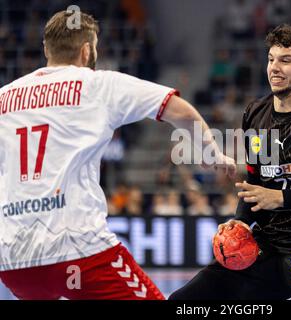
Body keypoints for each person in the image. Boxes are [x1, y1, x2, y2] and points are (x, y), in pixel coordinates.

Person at [0, 10, 236, 300]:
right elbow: (181, 111)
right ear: (87, 51)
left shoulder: (4, 96)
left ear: (47, 49)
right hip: (78, 251)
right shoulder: (98, 84)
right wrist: (212, 154)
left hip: (14, 261)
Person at [170, 24, 291, 300]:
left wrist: (281, 198)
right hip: (268, 243)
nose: (274, 67)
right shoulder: (255, 114)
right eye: (271, 59)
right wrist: (240, 223)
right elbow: (256, 184)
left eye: (285, 61)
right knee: (183, 302)